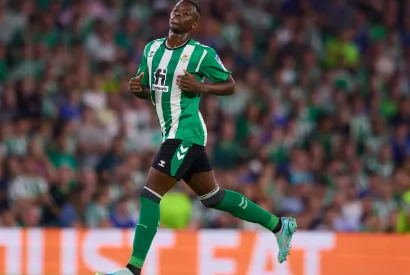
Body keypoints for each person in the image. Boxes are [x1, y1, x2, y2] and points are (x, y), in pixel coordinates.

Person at [96, 1, 297, 274]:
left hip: (185, 132)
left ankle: (133, 269)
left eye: (186, 13)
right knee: (212, 197)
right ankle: (279, 225)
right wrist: (138, 89)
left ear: (194, 25)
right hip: (172, 132)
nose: (179, 13)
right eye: (176, 10)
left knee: (149, 193)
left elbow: (230, 85)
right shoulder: (151, 49)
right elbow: (149, 89)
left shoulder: (201, 54)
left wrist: (201, 86)